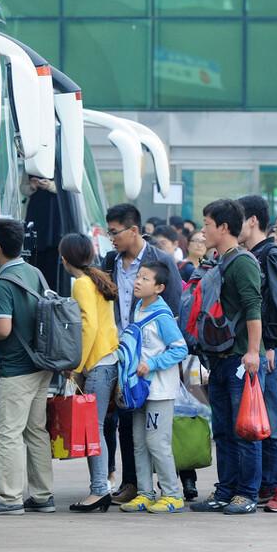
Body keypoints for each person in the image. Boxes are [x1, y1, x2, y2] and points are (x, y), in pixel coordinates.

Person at [101, 203, 182, 504]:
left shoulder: (160, 260)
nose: (111, 238)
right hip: (125, 356)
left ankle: (171, 491)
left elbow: (175, 308)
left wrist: (158, 357)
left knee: (156, 436)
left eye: (115, 232)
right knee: (130, 425)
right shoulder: (111, 260)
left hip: (154, 362)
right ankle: (135, 485)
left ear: (133, 230)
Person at [189, 199, 265, 515]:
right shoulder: (218, 261)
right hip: (218, 358)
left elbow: (253, 308)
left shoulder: (243, 262)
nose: (202, 230)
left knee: (244, 429)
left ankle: (246, 493)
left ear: (222, 227)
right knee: (222, 429)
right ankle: (225, 490)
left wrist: (252, 352)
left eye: (207, 224)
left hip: (238, 359)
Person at [0, 219, 54, 516]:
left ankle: (9, 499)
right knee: (36, 430)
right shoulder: (35, 272)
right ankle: (43, 494)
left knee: (8, 432)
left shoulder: (2, 283)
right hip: (42, 364)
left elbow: (4, 328)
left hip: (17, 369)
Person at [236, 196, 277, 514]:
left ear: (254, 221)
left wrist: (270, 343)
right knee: (264, 420)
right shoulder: (251, 254)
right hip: (261, 349)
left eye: (239, 220)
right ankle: (271, 485)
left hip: (272, 349)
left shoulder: (271, 254)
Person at [119, 263, 189, 514]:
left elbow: (180, 349)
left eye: (145, 278)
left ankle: (172, 494)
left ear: (159, 288)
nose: (138, 281)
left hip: (159, 390)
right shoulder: (139, 307)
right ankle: (145, 493)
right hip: (140, 389)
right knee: (139, 442)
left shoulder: (162, 315)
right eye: (138, 277)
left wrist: (153, 364)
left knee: (157, 442)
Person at [60, 233, 119, 513]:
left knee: (92, 429)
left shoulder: (82, 284)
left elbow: (88, 327)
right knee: (96, 428)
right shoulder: (97, 279)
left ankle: (99, 490)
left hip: (96, 364)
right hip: (108, 360)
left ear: (64, 258)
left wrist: (77, 364)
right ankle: (100, 486)